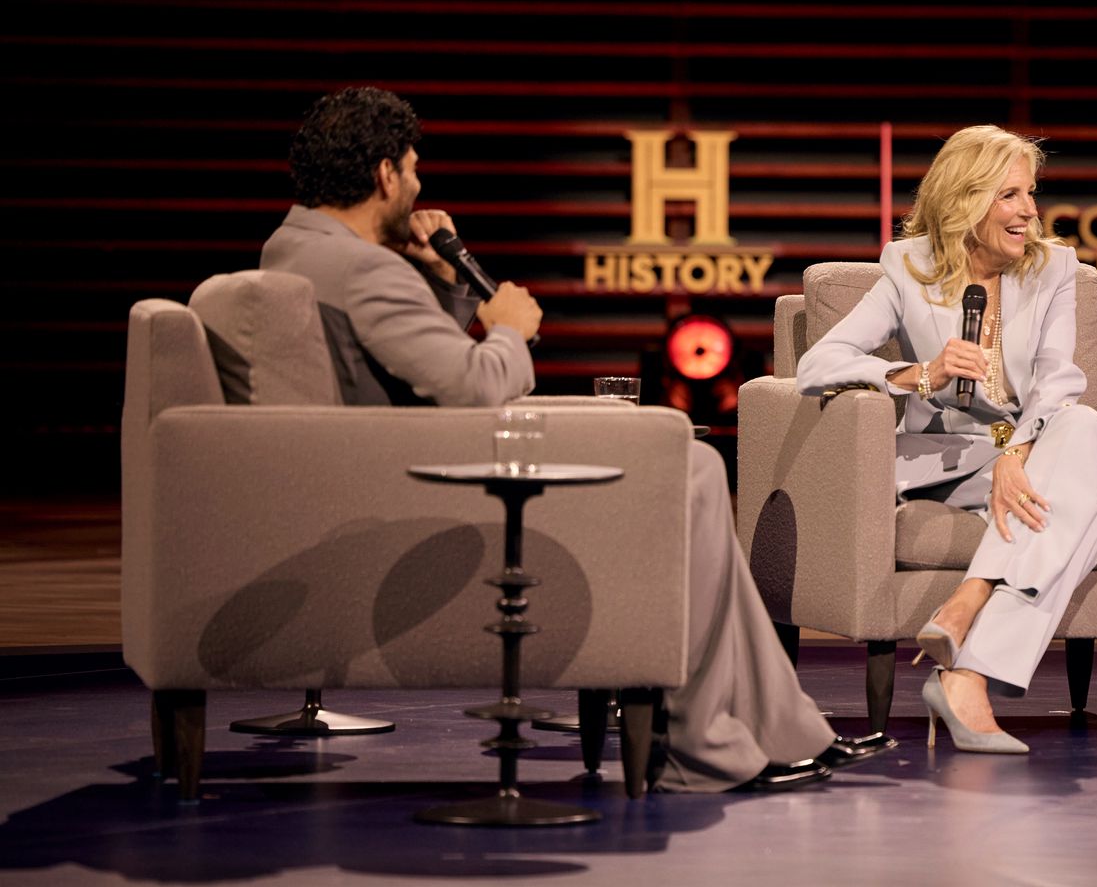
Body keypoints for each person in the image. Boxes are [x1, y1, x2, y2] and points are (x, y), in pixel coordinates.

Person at [265, 87, 886, 790]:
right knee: (692, 469)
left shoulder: (296, 249)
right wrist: (507, 326)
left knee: (689, 466)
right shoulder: (363, 268)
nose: (416, 186)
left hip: (385, 472)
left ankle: (771, 728)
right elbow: (473, 387)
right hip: (437, 496)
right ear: (384, 175)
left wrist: (447, 283)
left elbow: (409, 366)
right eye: (411, 168)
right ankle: (708, 742)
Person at [796, 125, 1097, 754]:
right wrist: (917, 373)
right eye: (1008, 195)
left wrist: (1017, 453)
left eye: (1030, 193)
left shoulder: (1054, 267)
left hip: (1031, 448)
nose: (1029, 210)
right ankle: (970, 665)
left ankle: (967, 633)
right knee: (1091, 521)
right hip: (947, 458)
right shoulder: (908, 268)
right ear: (962, 201)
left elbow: (1059, 379)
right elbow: (816, 366)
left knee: (1083, 423)